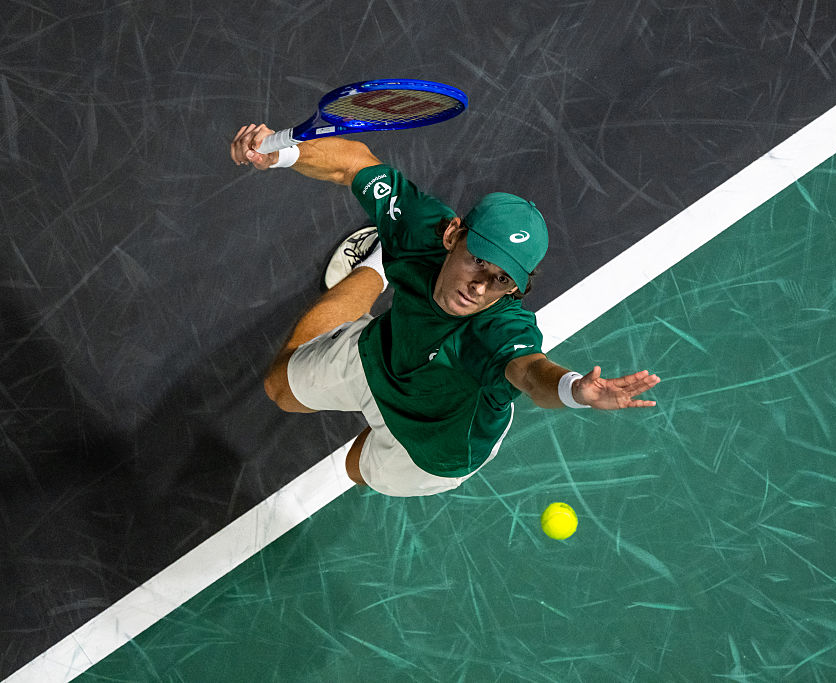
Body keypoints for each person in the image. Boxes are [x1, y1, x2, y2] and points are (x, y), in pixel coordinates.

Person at [229, 124, 660, 497]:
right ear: (453, 234)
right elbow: (354, 164)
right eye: (478, 260)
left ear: (517, 288)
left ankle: (384, 276)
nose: (479, 286)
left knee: (354, 469)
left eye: (501, 280)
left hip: (435, 446)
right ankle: (379, 266)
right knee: (279, 388)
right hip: (382, 356)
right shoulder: (421, 227)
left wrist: (572, 390)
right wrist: (282, 151)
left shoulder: (500, 331)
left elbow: (530, 373)